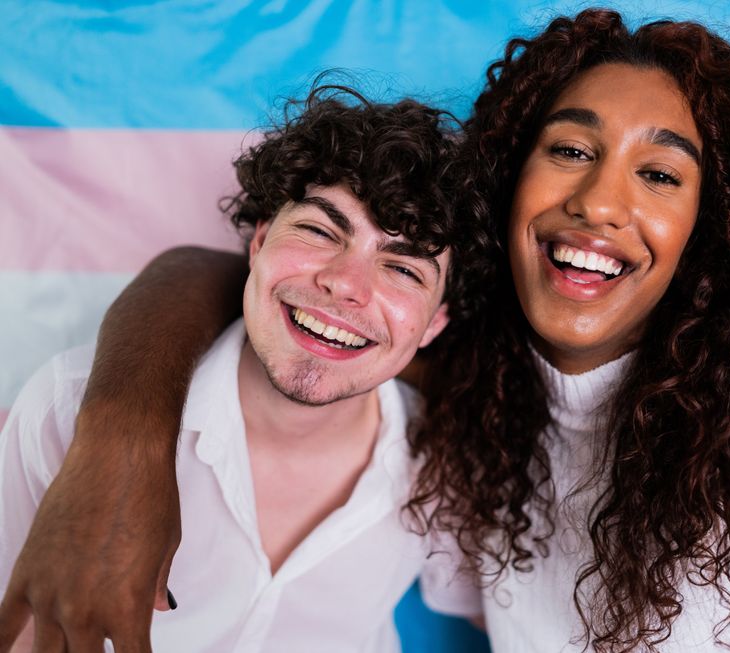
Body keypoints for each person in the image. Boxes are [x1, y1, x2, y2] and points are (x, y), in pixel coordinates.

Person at [0, 9, 730, 653]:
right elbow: (217, 277)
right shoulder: (462, 392)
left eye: (660, 175)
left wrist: (118, 441)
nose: (600, 200)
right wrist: (120, 441)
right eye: (570, 149)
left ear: (712, 232)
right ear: (507, 190)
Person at [0, 84, 488, 651]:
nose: (345, 285)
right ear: (258, 244)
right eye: (318, 231)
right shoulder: (65, 408)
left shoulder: (444, 462)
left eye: (405, 270)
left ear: (434, 324)